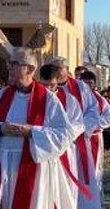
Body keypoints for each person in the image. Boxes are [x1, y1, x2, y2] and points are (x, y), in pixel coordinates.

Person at [0, 48, 76, 209]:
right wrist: (1, 128)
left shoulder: (47, 99)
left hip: (33, 168)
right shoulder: (2, 96)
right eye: (10, 63)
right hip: (4, 166)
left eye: (14, 63)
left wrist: (32, 132)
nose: (9, 67)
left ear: (30, 69)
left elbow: (65, 134)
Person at [50, 57, 102, 209]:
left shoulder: (81, 87)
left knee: (78, 176)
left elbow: (93, 110)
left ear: (67, 69)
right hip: (54, 142)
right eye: (53, 68)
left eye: (58, 68)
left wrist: (78, 128)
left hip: (76, 143)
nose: (55, 72)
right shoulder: (45, 87)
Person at [39, 62, 87, 207]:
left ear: (57, 82)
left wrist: (62, 135)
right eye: (45, 85)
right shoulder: (33, 98)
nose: (49, 89)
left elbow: (79, 123)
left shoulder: (69, 100)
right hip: (41, 150)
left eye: (53, 85)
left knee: (65, 188)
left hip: (64, 149)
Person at [80, 71, 110, 197]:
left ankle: (94, 197)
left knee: (94, 169)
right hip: (76, 139)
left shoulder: (100, 100)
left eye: (90, 83)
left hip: (94, 137)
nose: (87, 85)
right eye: (85, 83)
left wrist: (91, 124)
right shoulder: (73, 97)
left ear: (94, 84)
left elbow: (109, 118)